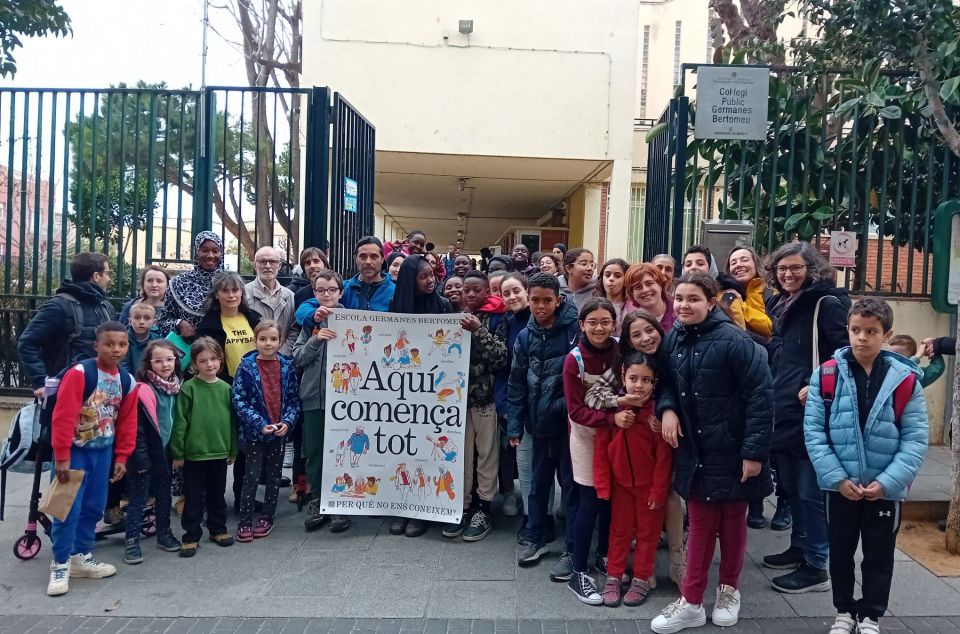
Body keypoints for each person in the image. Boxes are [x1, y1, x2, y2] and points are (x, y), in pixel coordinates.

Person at [651, 272, 773, 633]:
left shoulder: (736, 341)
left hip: (734, 450)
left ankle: (729, 591)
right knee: (702, 524)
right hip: (695, 449)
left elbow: (761, 398)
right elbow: (665, 384)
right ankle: (691, 602)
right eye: (680, 299)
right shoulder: (674, 337)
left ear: (711, 301)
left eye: (693, 299)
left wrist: (753, 453)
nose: (685, 306)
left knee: (734, 523)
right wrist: (668, 409)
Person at [804, 297, 928, 634]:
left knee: (878, 554)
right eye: (856, 330)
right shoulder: (826, 375)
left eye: (871, 331)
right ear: (847, 330)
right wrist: (836, 477)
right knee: (840, 553)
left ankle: (871, 614)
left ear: (886, 334)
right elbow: (814, 432)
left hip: (884, 490)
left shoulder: (906, 381)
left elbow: (915, 438)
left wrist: (888, 482)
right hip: (840, 486)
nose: (862, 337)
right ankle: (844, 611)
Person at [762, 241, 849, 594]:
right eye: (782, 269)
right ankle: (800, 547)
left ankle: (817, 564)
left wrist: (818, 384)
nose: (788, 274)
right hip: (784, 407)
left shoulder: (826, 304)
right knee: (792, 485)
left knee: (811, 489)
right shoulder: (782, 303)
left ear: (812, 269)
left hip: (812, 409)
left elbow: (848, 352)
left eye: (796, 268)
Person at [583, 310, 686, 588]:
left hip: (668, 438)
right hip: (625, 474)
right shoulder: (625, 368)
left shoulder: (674, 352)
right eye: (636, 334)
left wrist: (666, 411)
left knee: (664, 504)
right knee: (624, 527)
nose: (645, 338)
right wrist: (618, 406)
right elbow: (592, 396)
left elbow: (682, 392)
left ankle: (671, 561)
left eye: (649, 330)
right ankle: (629, 573)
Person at [45, 321, 137, 597]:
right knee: (66, 508)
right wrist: (61, 456)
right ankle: (60, 562)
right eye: (109, 344)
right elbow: (63, 416)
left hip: (103, 452)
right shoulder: (79, 374)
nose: (116, 350)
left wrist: (122, 455)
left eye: (122, 344)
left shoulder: (127, 381)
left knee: (95, 507)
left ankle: (80, 555)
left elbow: (127, 421)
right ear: (96, 345)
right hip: (74, 452)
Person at [509, 273, 579, 568]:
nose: (540, 306)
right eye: (535, 300)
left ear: (558, 300)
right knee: (537, 486)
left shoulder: (574, 332)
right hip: (537, 426)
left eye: (546, 300)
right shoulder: (525, 336)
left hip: (568, 426)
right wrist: (515, 423)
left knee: (571, 486)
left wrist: (563, 408)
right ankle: (535, 537)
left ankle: (573, 547)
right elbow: (516, 383)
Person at [595, 352, 672, 608]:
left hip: (649, 488)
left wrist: (658, 492)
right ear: (623, 377)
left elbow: (664, 459)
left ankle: (640, 578)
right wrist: (604, 486)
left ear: (654, 382)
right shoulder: (615, 412)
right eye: (633, 378)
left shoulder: (656, 415)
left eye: (646, 380)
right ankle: (614, 576)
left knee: (648, 536)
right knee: (618, 533)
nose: (639, 385)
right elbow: (602, 450)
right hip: (621, 487)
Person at [386, 255, 454, 537]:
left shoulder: (444, 306)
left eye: (432, 275)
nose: (431, 281)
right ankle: (401, 507)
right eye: (423, 276)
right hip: (404, 396)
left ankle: (421, 511)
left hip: (433, 395)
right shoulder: (394, 309)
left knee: (426, 454)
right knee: (403, 451)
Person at [442, 271, 507, 542]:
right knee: (462, 455)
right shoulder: (450, 318)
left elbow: (501, 358)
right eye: (466, 290)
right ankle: (463, 504)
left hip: (485, 399)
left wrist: (478, 331)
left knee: (486, 455)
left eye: (476, 290)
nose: (470, 294)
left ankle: (484, 507)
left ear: (487, 292)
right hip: (457, 401)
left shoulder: (497, 319)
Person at [562, 298, 619, 605]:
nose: (599, 328)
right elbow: (575, 411)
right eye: (592, 322)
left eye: (605, 322)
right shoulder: (574, 360)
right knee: (590, 501)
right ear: (582, 325)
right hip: (586, 438)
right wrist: (612, 417)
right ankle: (579, 572)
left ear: (615, 324)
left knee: (611, 500)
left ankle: (605, 555)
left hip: (617, 438)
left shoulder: (622, 351)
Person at [724, 245, 780, 530]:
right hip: (733, 377)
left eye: (744, 259)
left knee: (760, 439)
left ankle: (760, 504)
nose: (738, 265)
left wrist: (744, 327)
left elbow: (773, 336)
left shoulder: (770, 296)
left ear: (756, 263)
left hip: (766, 373)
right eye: (733, 261)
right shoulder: (724, 294)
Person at [232, 321, 302, 542]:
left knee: (273, 476)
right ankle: (245, 519)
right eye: (263, 339)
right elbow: (239, 400)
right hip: (254, 433)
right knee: (250, 477)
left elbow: (293, 400)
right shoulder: (245, 367)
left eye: (273, 339)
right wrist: (258, 423)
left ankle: (267, 516)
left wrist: (287, 423)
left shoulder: (287, 367)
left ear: (280, 341)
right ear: (256, 340)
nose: (268, 343)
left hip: (278, 433)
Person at [294, 270, 351, 534]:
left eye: (331, 290)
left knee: (343, 452)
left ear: (341, 292)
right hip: (314, 399)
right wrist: (317, 338)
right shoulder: (310, 323)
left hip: (345, 402)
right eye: (320, 290)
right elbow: (298, 357)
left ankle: (340, 502)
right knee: (315, 451)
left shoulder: (352, 320)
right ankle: (318, 500)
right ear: (314, 293)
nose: (326, 295)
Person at [170, 337, 237, 558]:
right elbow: (180, 422)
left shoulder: (227, 389)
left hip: (218, 452)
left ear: (221, 361)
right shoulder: (188, 389)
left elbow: (233, 422)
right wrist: (178, 452)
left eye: (213, 359)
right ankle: (191, 536)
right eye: (203, 361)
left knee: (218, 495)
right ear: (194, 364)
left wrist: (232, 449)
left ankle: (218, 529)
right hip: (194, 455)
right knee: (194, 497)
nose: (209, 365)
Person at [19, 251, 117, 399]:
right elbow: (27, 342)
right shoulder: (59, 306)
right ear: (96, 276)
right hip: (65, 391)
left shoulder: (105, 307)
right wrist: (41, 381)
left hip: (101, 391)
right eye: (107, 273)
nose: (109, 279)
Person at [125, 340, 184, 564]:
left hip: (165, 452)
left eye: (169, 359)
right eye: (158, 361)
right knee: (138, 498)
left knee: (163, 495)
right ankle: (131, 541)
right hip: (144, 454)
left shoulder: (177, 387)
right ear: (149, 363)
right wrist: (140, 459)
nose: (165, 365)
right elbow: (137, 429)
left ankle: (164, 533)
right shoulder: (143, 390)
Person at [496, 273, 530, 517]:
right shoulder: (506, 322)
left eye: (516, 290)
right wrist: (503, 403)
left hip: (539, 400)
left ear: (527, 290)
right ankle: (510, 494)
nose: (512, 296)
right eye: (505, 293)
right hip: (512, 398)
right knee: (508, 449)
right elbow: (502, 368)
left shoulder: (542, 318)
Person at [196, 271, 262, 383]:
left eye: (235, 290)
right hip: (227, 385)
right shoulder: (208, 326)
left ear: (241, 292)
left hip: (257, 382)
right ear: (216, 294)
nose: (231, 295)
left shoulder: (254, 319)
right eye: (225, 291)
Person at [157, 231, 224, 338]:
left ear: (221, 253)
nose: (210, 255)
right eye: (204, 250)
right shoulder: (178, 283)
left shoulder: (229, 283)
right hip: (188, 349)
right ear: (196, 252)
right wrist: (179, 324)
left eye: (215, 251)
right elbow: (162, 322)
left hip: (223, 350)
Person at [245, 247, 297, 355]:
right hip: (253, 360)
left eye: (273, 261)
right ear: (255, 266)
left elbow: (294, 330)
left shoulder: (290, 296)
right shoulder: (244, 294)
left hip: (282, 361)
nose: (268, 266)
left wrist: (281, 355)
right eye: (263, 261)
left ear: (279, 265)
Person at [340, 236, 396, 312]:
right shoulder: (342, 289)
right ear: (356, 259)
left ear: (382, 259)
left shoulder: (395, 291)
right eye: (363, 257)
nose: (368, 262)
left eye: (374, 257)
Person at [388, 255, 454, 316]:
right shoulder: (396, 304)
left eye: (432, 275)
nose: (430, 280)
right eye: (423, 277)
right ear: (411, 279)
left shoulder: (443, 304)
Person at [624, 263, 675, 333]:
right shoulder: (631, 322)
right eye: (638, 287)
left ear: (660, 285)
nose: (645, 290)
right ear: (632, 294)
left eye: (649, 283)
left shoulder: (679, 311)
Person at [122, 303, 161, 374]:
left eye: (147, 318)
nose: (141, 322)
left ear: (154, 323)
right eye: (137, 318)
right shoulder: (121, 340)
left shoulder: (158, 342)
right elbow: (122, 367)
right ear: (130, 321)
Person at [595, 258, 628, 334]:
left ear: (626, 280)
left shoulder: (632, 308)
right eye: (607, 275)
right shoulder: (594, 305)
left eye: (617, 276)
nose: (611, 279)